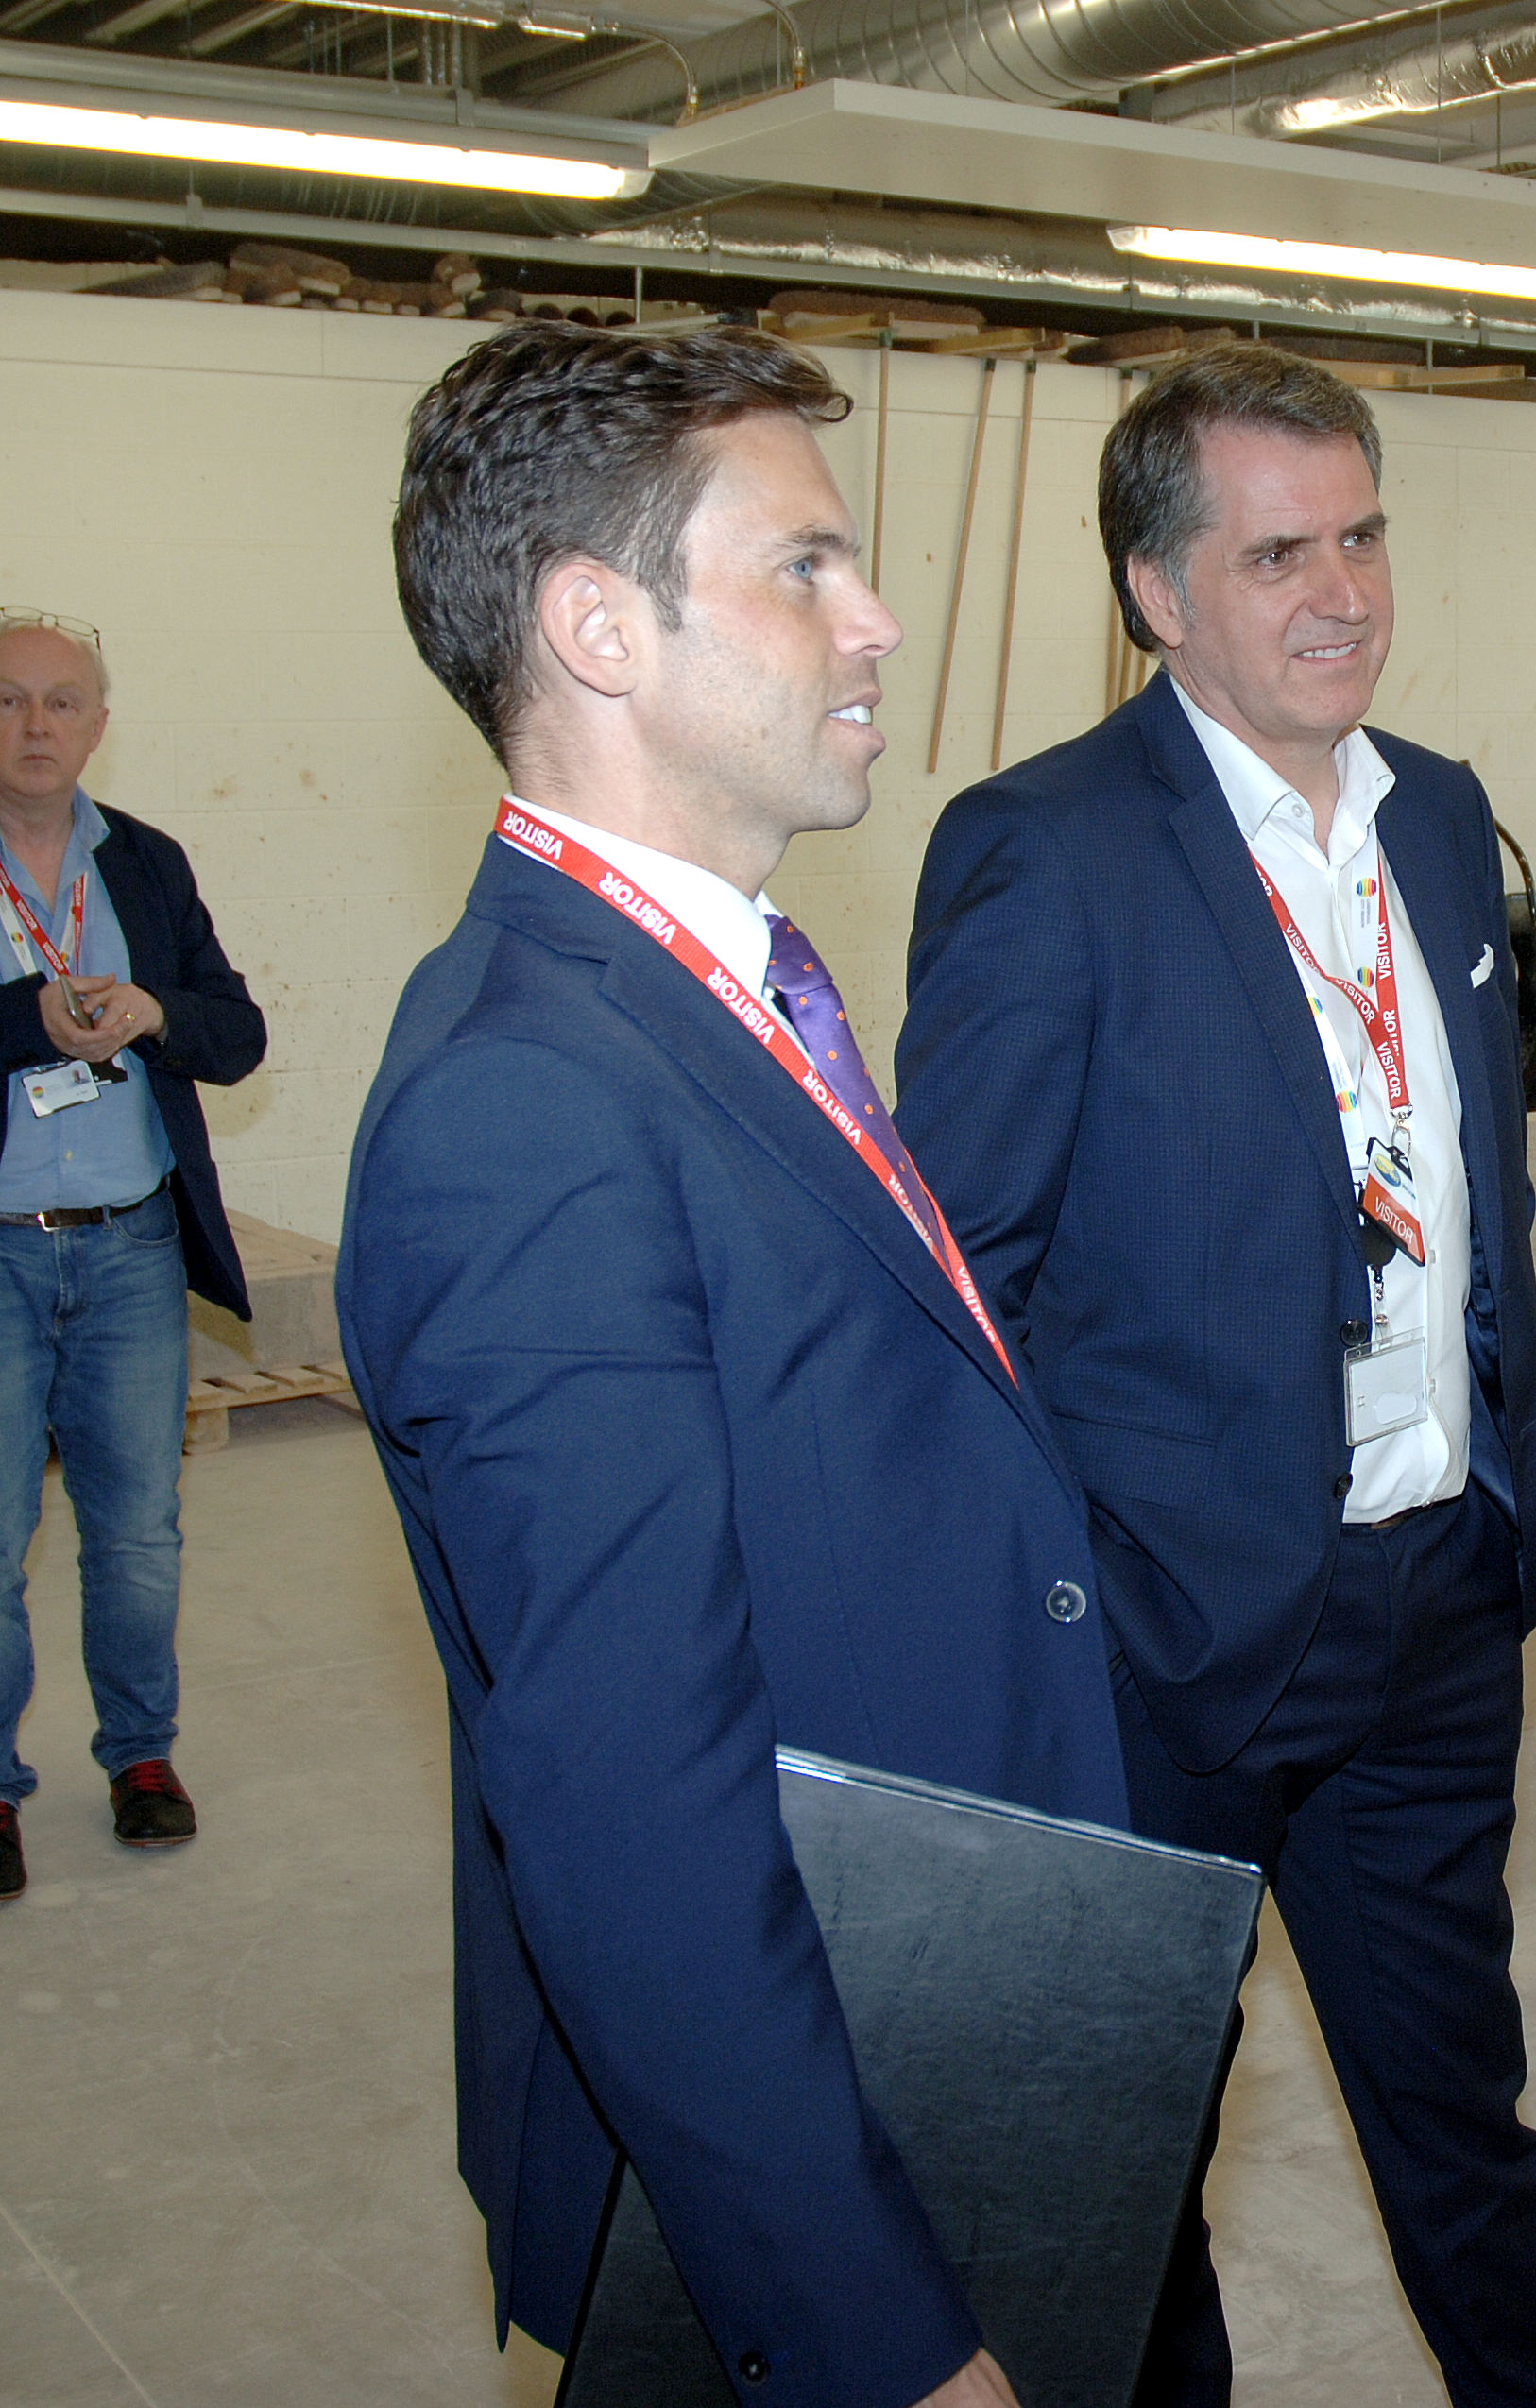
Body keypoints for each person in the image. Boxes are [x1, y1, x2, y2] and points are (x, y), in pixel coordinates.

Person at [343, 325, 1121, 2408]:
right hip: (796, 2160)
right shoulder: (528, 1101)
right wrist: (883, 2339)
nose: (874, 621)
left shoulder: (722, 987)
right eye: (806, 568)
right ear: (600, 627)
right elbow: (629, 1810)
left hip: (933, 1999)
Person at [896, 342, 1536, 2408]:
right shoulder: (1048, 850)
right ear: (1155, 591)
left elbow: (1468, 1182)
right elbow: (959, 1291)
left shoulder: (1448, 818)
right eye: (1276, 548)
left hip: (1431, 1605)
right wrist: (1087, 1597)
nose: (1341, 591)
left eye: (1363, 532)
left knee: (1459, 2117)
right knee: (1128, 2164)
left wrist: (1495, 1482)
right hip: (1178, 1642)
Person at [1, 609, 264, 1904]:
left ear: (100, 723)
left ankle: (141, 1757)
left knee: (138, 1532)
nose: (35, 726)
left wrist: (155, 1011)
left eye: (61, 702)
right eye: (8, 700)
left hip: (129, 1254)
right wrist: (23, 1019)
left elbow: (238, 1032)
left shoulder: (147, 866)